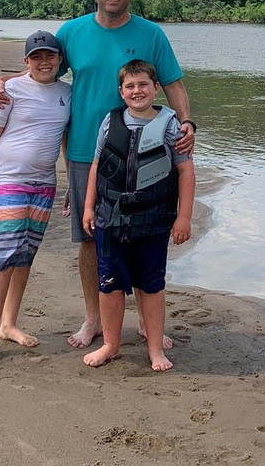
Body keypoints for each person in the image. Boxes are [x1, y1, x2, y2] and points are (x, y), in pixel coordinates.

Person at [0, 0, 195, 351]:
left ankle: (147, 324)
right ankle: (94, 319)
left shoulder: (151, 34)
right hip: (87, 151)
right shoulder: (72, 32)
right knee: (92, 238)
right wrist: (3, 81)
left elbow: (174, 85)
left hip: (148, 150)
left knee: (143, 232)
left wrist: (187, 124)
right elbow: (42, 70)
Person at [0, 30, 71, 368]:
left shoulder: (68, 93)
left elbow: (66, 140)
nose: (44, 62)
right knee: (4, 254)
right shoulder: (8, 91)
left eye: (50, 56)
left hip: (45, 184)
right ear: (26, 62)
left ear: (60, 60)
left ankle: (9, 325)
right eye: (36, 57)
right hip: (8, 181)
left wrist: (73, 187)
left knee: (25, 255)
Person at [81, 60, 194, 371]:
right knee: (110, 284)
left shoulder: (171, 124)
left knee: (152, 284)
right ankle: (111, 344)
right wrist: (89, 207)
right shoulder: (110, 122)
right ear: (121, 92)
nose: (137, 91)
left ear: (155, 88)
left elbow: (185, 170)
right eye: (130, 86)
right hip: (110, 218)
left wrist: (183, 218)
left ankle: (155, 349)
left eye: (143, 84)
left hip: (153, 221)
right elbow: (95, 167)